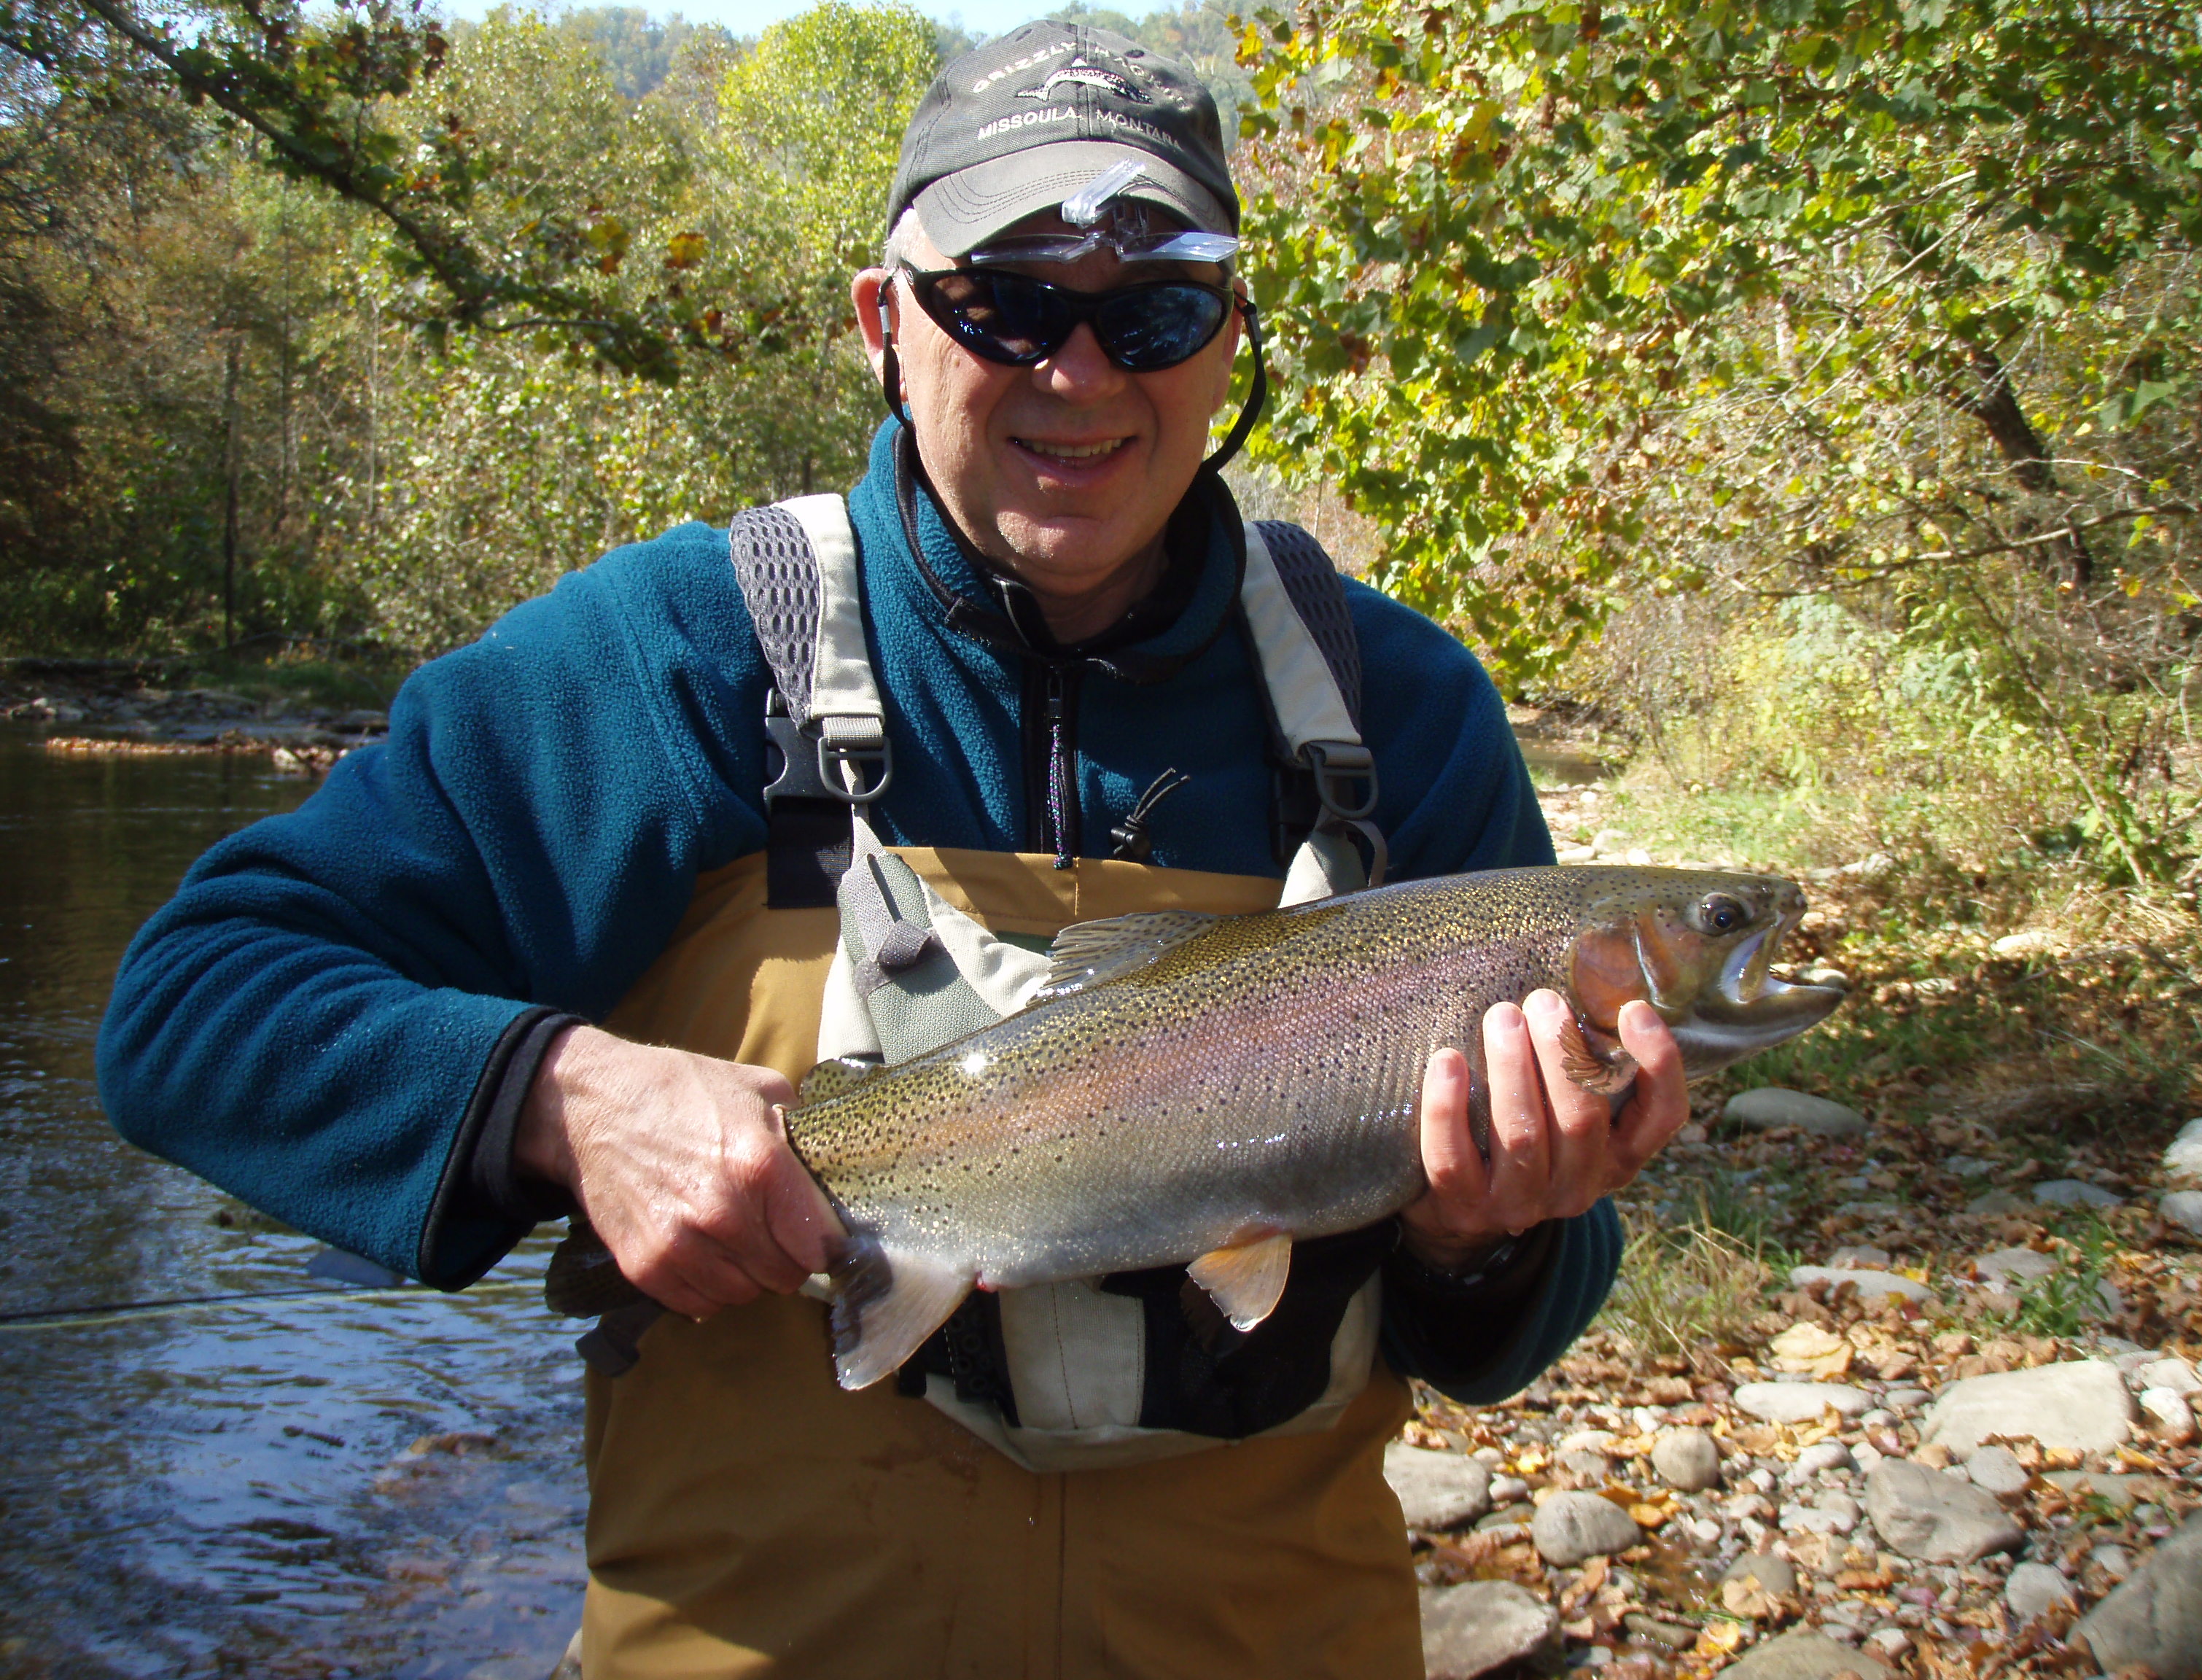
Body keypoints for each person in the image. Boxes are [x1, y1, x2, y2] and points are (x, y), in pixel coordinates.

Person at [98, 19, 1688, 1679]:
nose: (1079, 374)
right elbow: (195, 1002)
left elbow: (1523, 1324)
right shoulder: (682, 661)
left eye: (1150, 310)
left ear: (1227, 340)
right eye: (1004, 300)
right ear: (885, 322)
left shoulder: (1402, 712)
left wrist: (1486, 1234)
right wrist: (558, 1100)